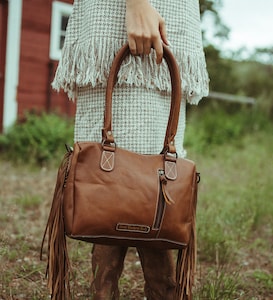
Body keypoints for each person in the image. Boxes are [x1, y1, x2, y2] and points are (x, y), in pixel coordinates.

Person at [52, 0, 209, 299]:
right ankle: (106, 289)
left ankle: (152, 288)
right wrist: (137, 4)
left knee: (157, 160)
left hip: (172, 16)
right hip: (116, 16)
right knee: (108, 165)